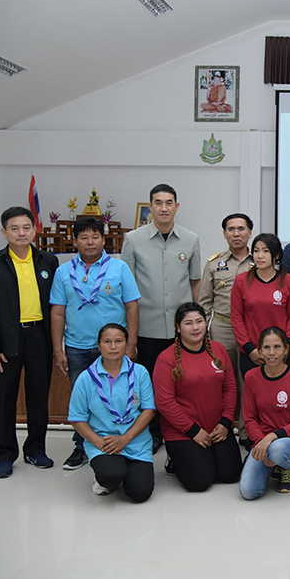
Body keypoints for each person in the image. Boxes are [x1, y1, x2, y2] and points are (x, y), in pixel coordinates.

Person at [0, 206, 60, 477]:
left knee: (38, 398)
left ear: (35, 230)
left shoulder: (48, 261)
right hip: (5, 341)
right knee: (3, 400)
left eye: (26, 227)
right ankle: (4, 455)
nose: (21, 233)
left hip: (39, 339)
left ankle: (35, 450)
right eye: (14, 228)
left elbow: (57, 305)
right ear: (4, 232)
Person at [50, 216, 141, 470]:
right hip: (77, 347)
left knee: (117, 395)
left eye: (95, 236)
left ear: (103, 240)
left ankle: (121, 442)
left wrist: (131, 343)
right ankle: (82, 446)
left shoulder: (119, 268)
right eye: (84, 237)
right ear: (74, 241)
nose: (90, 242)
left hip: (113, 348)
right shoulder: (63, 272)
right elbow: (57, 313)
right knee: (83, 398)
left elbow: (132, 307)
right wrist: (58, 349)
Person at [121, 183, 202, 452]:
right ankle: (153, 432)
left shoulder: (190, 239)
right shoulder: (133, 239)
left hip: (182, 331)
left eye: (169, 203)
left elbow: (194, 282)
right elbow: (126, 286)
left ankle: (180, 430)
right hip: (147, 327)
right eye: (158, 203)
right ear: (150, 207)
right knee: (150, 385)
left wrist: (196, 323)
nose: (164, 208)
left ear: (176, 207)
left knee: (184, 383)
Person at [153, 304, 242, 491]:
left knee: (231, 474)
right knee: (199, 482)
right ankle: (174, 458)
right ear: (178, 327)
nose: (195, 327)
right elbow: (164, 402)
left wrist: (225, 422)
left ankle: (205, 455)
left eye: (199, 321)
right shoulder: (166, 359)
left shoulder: (218, 350)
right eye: (188, 323)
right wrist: (192, 430)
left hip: (216, 427)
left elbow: (230, 388)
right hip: (184, 430)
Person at [68, 323, 156, 502]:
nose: (113, 346)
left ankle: (125, 470)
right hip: (103, 442)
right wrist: (99, 442)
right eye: (107, 342)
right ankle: (106, 477)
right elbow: (77, 418)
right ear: (98, 345)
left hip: (135, 441)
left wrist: (125, 439)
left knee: (140, 493)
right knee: (111, 475)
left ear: (127, 344)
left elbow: (149, 410)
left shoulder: (140, 372)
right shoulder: (86, 378)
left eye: (118, 341)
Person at [198, 213, 254, 444]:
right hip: (222, 328)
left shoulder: (260, 261)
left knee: (248, 383)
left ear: (250, 232)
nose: (236, 234)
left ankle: (247, 432)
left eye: (241, 229)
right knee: (220, 381)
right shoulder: (214, 263)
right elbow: (204, 302)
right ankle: (221, 429)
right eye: (231, 229)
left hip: (251, 330)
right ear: (224, 234)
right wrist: (202, 334)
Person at [239, 327, 290, 499]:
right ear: (259, 351)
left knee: (277, 449)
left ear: (286, 350)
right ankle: (273, 465)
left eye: (277, 347)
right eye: (266, 347)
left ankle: (287, 466)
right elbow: (249, 418)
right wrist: (261, 442)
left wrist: (270, 438)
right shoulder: (251, 377)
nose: (272, 352)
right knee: (248, 491)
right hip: (262, 440)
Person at [230, 233, 290, 379]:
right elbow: (237, 317)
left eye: (266, 251)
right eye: (256, 250)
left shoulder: (289, 281)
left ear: (276, 255)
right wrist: (249, 349)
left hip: (281, 353)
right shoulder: (241, 281)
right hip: (252, 353)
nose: (260, 256)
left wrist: (286, 347)